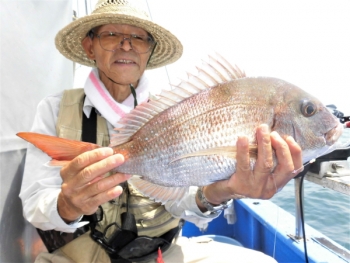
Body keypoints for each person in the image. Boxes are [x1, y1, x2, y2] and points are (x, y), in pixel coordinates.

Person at [19, 0, 303, 262]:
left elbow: (183, 202)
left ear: (149, 51)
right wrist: (67, 205)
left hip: (162, 254)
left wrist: (224, 190)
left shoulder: (177, 110)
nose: (126, 46)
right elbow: (34, 204)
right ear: (89, 46)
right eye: (111, 35)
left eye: (138, 38)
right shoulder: (55, 109)